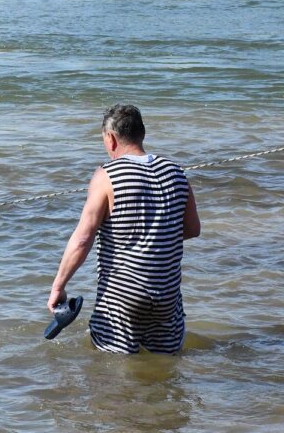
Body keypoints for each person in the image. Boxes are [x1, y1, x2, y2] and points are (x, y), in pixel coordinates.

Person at [48, 104, 201, 354]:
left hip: (123, 295)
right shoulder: (175, 172)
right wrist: (154, 235)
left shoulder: (106, 175)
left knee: (113, 368)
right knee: (164, 364)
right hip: (166, 293)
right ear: (142, 133)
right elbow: (193, 229)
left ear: (110, 138)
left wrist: (58, 286)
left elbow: (83, 239)